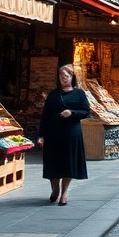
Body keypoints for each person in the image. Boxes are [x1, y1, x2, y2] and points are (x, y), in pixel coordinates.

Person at [37, 64, 89, 207]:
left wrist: (72, 113)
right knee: (53, 162)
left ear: (72, 77)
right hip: (53, 133)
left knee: (68, 163)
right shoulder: (53, 94)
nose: (63, 78)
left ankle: (64, 193)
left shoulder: (79, 94)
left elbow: (85, 112)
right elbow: (45, 115)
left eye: (66, 76)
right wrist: (41, 135)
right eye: (61, 76)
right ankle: (55, 188)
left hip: (71, 133)